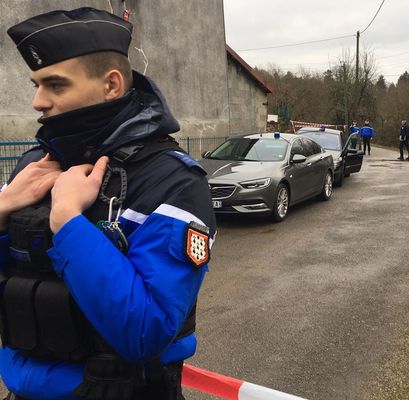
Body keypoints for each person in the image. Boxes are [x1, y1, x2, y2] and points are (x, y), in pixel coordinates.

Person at [0, 7, 216, 400]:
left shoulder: (174, 182)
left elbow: (145, 333)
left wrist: (67, 221)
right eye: (35, 84)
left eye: (55, 85)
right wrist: (1, 209)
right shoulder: (33, 166)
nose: (37, 102)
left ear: (112, 84)